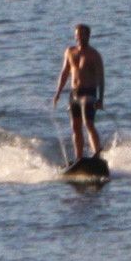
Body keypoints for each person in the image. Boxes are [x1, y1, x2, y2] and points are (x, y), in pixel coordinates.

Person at [53, 22, 105, 162]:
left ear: (88, 36)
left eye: (83, 35)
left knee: (88, 124)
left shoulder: (94, 55)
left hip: (89, 93)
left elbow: (101, 78)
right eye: (78, 35)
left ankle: (97, 154)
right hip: (74, 94)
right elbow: (64, 73)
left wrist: (101, 99)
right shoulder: (70, 51)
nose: (80, 37)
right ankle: (79, 158)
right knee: (75, 127)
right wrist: (58, 93)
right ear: (75, 36)